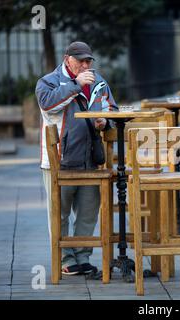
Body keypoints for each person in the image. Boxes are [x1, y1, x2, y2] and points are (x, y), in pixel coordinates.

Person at [36, 41, 117, 275]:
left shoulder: (99, 81)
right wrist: (75, 85)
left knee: (89, 211)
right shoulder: (48, 81)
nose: (85, 64)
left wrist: (105, 121)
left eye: (88, 60)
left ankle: (82, 257)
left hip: (90, 158)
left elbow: (112, 107)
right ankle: (65, 259)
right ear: (67, 59)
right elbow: (48, 105)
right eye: (80, 60)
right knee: (59, 213)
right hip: (58, 160)